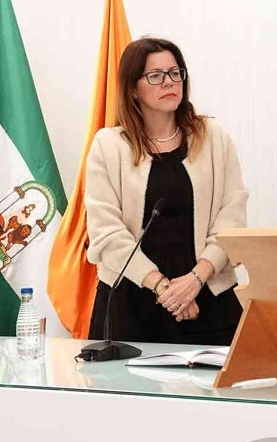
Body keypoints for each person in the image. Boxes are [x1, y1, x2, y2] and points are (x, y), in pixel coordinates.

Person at [85, 37, 248, 345]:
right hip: (131, 304)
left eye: (175, 73)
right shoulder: (109, 146)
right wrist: (164, 288)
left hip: (206, 301)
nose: (169, 82)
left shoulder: (213, 138)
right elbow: (107, 233)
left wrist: (195, 280)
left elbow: (232, 218)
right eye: (155, 76)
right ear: (133, 88)